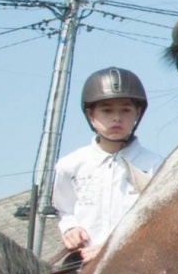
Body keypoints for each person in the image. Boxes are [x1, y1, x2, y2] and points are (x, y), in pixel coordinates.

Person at [52, 67, 165, 259]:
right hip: (82, 261)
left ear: (138, 113)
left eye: (126, 110)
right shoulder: (70, 165)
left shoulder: (156, 165)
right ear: (91, 114)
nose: (117, 118)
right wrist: (70, 228)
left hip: (135, 262)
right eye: (107, 110)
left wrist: (114, 249)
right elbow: (65, 209)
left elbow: (160, 221)